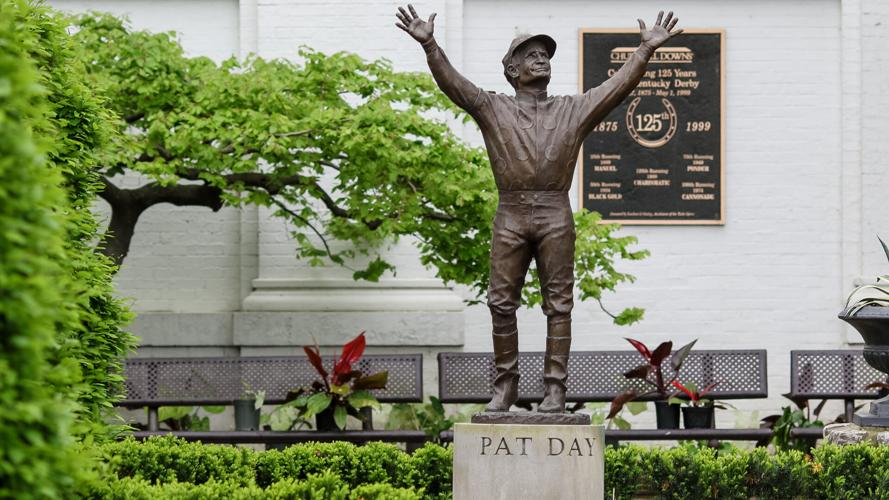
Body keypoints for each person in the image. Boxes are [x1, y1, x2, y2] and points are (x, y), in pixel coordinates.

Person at [396, 5, 682, 413]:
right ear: (512, 70)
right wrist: (430, 45)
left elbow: (615, 90)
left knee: (559, 305)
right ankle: (506, 387)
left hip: (554, 211)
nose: (541, 58)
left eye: (545, 53)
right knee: (500, 302)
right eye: (530, 54)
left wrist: (644, 52)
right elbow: (455, 86)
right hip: (510, 212)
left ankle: (555, 391)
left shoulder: (572, 109)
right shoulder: (493, 107)